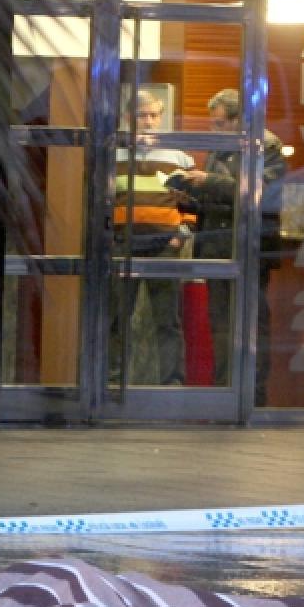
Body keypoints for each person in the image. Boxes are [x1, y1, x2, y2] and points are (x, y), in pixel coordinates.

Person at [183, 88, 287, 399]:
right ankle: (224, 394)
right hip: (218, 247)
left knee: (251, 326)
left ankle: (251, 396)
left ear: (238, 120)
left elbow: (258, 192)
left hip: (248, 249)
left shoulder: (266, 145)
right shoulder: (221, 148)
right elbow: (217, 196)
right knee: (221, 326)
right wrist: (189, 198)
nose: (213, 130)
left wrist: (209, 182)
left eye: (218, 124)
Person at [110, 89, 196, 386]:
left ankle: (172, 382)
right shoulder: (114, 154)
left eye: (154, 116)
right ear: (127, 119)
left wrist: (180, 236)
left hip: (164, 245)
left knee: (167, 320)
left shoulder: (178, 156)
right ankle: (111, 380)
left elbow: (192, 203)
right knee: (117, 319)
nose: (148, 122)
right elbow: (100, 201)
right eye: (142, 116)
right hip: (123, 245)